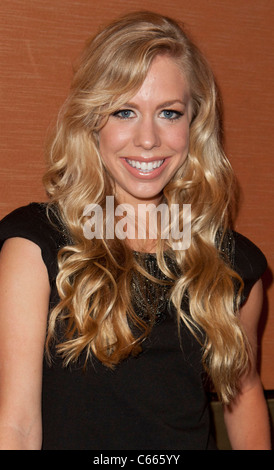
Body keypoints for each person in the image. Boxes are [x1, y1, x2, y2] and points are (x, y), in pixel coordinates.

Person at [0, 11, 271, 450]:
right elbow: (17, 426)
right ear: (92, 121)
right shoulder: (36, 246)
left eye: (168, 113)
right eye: (124, 111)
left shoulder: (232, 262)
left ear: (193, 124)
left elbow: (244, 393)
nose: (148, 139)